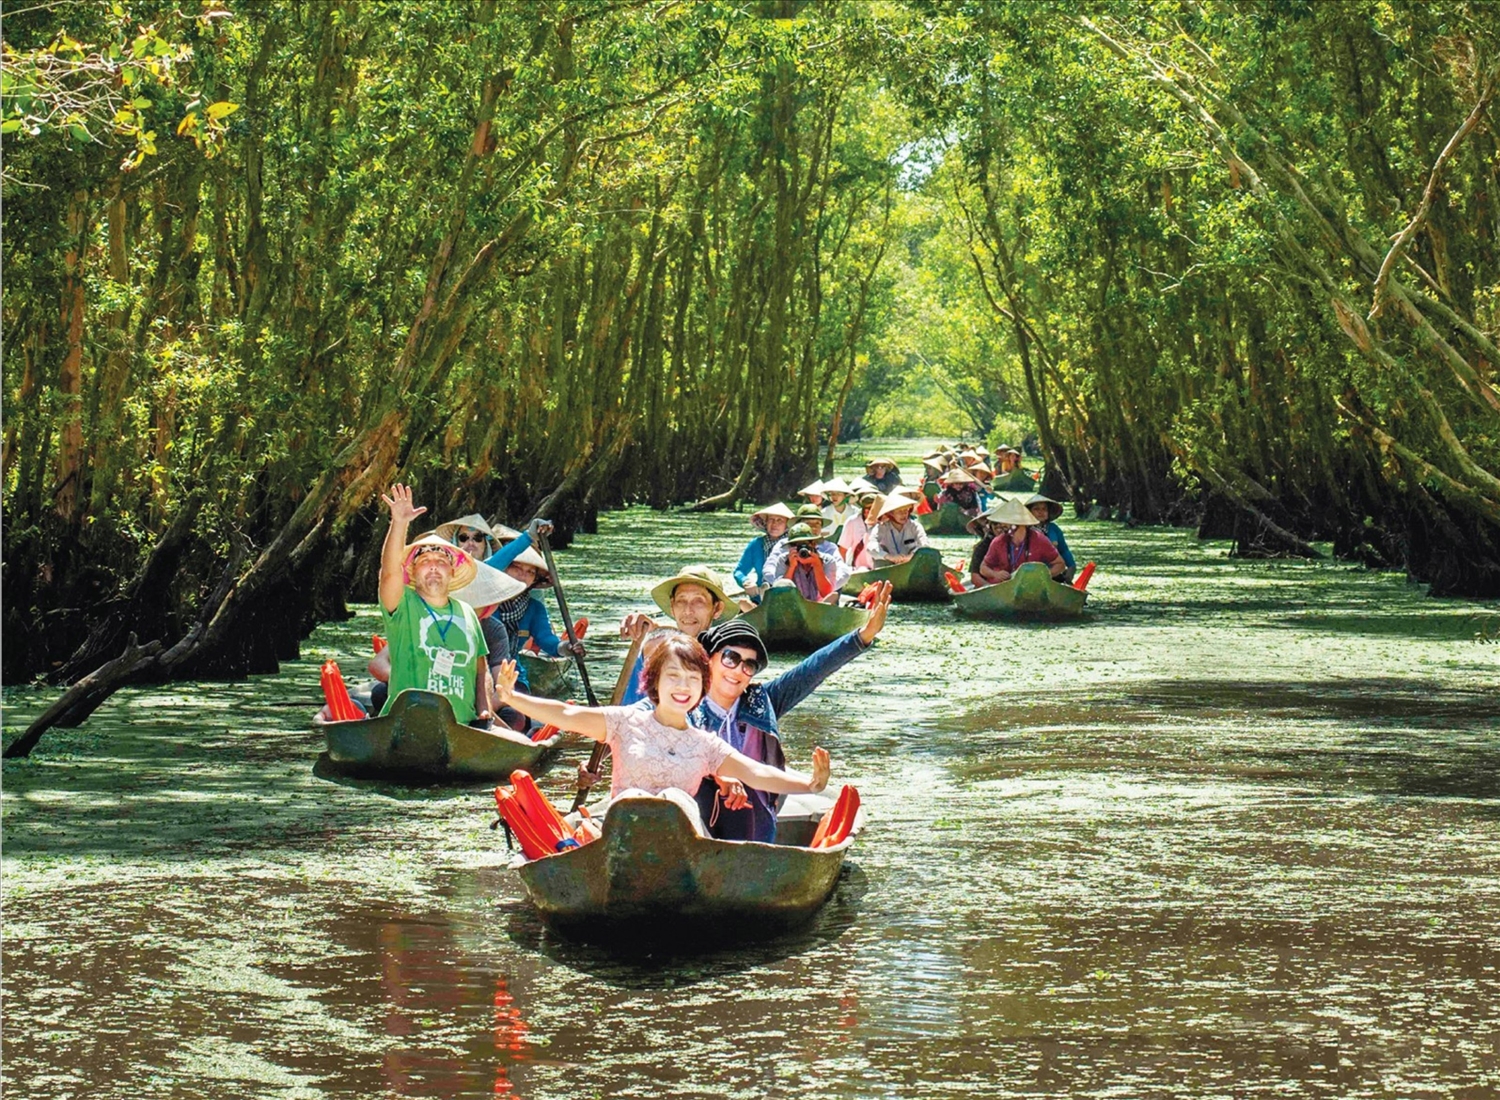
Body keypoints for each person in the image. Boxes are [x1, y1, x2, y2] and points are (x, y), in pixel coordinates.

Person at [492, 634, 832, 838]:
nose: (682, 687)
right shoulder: (625, 722)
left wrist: (810, 785)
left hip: (680, 849)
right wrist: (513, 698)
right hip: (622, 843)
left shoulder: (706, 744)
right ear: (654, 682)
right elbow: (566, 714)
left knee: (676, 798)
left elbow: (754, 771)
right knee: (632, 799)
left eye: (692, 678)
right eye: (673, 676)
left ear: (703, 685)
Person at [690, 583, 893, 841]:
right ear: (709, 659)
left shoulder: (761, 702)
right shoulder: (687, 705)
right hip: (700, 825)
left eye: (749, 665)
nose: (738, 670)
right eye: (730, 658)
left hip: (756, 825)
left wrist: (863, 635)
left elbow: (813, 669)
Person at [376, 484, 492, 726]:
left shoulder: (467, 612)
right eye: (424, 561)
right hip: (407, 724)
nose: (433, 566)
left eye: (441, 561)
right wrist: (399, 523)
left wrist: (484, 710)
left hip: (461, 727)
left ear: (451, 572)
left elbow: (481, 670)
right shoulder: (403, 604)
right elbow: (388, 573)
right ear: (413, 572)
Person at [978, 497, 1065, 584]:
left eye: (1006, 522)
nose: (1002, 525)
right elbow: (983, 568)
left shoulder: (1039, 540)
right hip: (1005, 588)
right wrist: (995, 574)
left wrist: (1042, 577)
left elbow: (1060, 564)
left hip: (1032, 588)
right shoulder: (998, 541)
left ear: (1020, 523)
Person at [762, 523, 849, 603]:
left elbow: (826, 593)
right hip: (792, 605)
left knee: (832, 596)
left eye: (805, 545)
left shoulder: (828, 561)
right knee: (783, 583)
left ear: (814, 544)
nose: (801, 549)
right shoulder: (783, 560)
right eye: (796, 545)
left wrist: (817, 565)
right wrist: (791, 567)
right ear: (790, 547)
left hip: (820, 607)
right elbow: (780, 592)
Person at [734, 502, 794, 602]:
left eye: (780, 520)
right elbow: (739, 571)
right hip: (760, 597)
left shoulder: (794, 544)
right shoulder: (756, 544)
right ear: (765, 523)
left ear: (787, 525)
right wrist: (745, 581)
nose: (774, 524)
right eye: (771, 519)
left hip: (789, 597)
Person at [1023, 492, 1077, 582]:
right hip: (1028, 573)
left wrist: (1071, 567)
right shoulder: (1023, 530)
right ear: (1029, 512)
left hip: (1053, 572)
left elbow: (1064, 550)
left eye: (1044, 509)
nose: (1041, 512)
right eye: (1036, 509)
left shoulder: (1053, 528)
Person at [865, 492, 930, 566]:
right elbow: (871, 546)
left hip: (911, 564)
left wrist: (911, 556)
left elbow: (925, 544)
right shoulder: (882, 527)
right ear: (891, 514)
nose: (904, 514)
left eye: (906, 511)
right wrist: (889, 557)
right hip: (887, 566)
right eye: (900, 512)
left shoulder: (915, 526)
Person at [838, 488, 881, 569]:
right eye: (866, 508)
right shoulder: (852, 522)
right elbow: (842, 550)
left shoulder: (884, 522)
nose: (868, 511)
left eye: (872, 508)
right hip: (857, 568)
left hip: (878, 567)